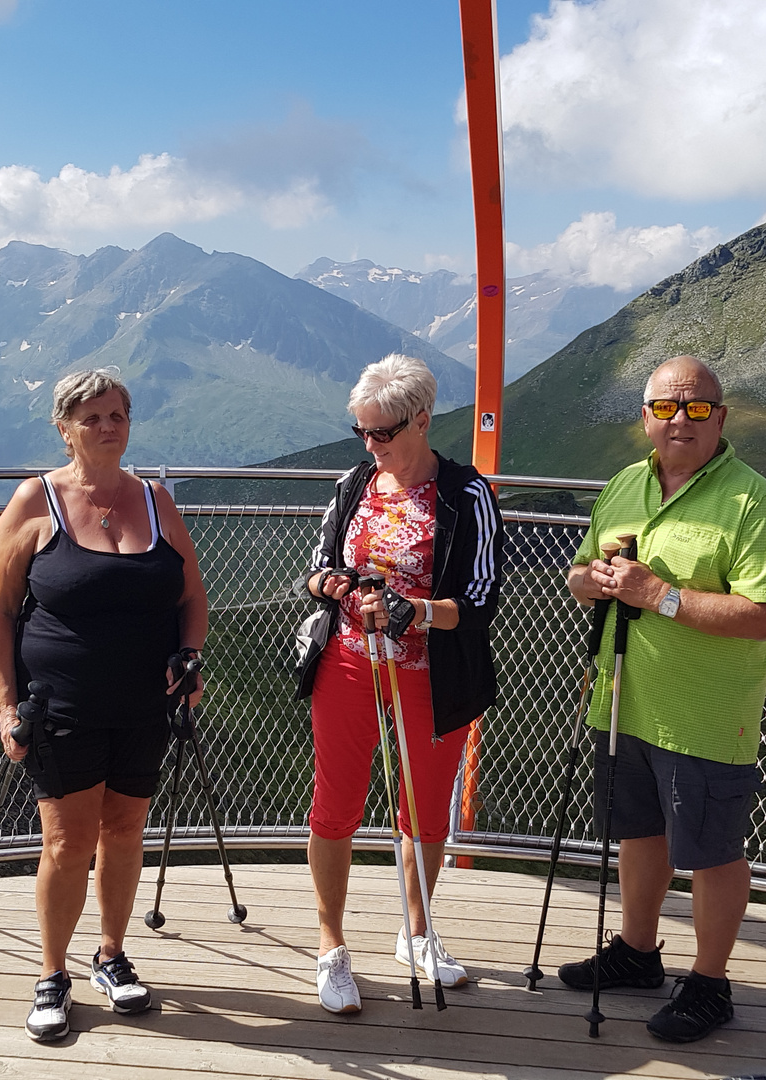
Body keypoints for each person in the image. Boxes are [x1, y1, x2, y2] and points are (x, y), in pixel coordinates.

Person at [555, 354, 766, 1043]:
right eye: (666, 408)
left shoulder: (754, 501)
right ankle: (636, 953)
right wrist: (592, 582)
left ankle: (711, 983)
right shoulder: (625, 484)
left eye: (695, 409)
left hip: (706, 712)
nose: (680, 421)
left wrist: (657, 595)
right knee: (640, 831)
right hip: (621, 698)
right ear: (646, 418)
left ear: (721, 418)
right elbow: (579, 574)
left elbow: (760, 615)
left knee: (712, 850)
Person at [0, 367, 208, 1043]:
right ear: (64, 428)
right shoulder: (34, 501)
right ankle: (52, 974)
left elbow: (192, 596)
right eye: (92, 418)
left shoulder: (157, 502)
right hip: (61, 705)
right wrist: (5, 706)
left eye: (119, 415)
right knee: (67, 839)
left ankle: (111, 955)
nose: (109, 428)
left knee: (125, 830)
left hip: (144, 702)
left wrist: (190, 656)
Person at [297, 353, 503, 1015]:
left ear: (422, 421)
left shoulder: (467, 494)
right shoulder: (354, 483)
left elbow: (480, 600)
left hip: (430, 671)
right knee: (337, 803)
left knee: (425, 808)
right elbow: (318, 568)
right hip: (350, 659)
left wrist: (416, 612)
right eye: (361, 430)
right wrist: (336, 588)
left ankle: (416, 931)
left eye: (382, 432)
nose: (370, 444)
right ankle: (331, 946)